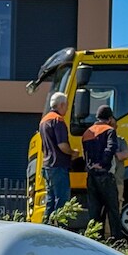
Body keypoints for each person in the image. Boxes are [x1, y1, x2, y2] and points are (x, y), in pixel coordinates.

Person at [82, 105, 122, 243]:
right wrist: (103, 163)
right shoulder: (110, 130)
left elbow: (85, 154)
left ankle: (94, 239)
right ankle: (117, 239)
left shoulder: (87, 132)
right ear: (110, 119)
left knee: (94, 210)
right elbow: (111, 148)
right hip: (105, 174)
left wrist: (91, 165)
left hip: (91, 175)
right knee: (112, 209)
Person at [39, 92, 74, 222]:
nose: (67, 109)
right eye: (67, 106)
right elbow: (62, 145)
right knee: (62, 200)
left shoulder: (44, 120)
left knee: (50, 200)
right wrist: (73, 153)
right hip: (58, 165)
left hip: (47, 166)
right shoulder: (58, 120)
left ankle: (46, 228)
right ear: (61, 105)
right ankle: (59, 229)